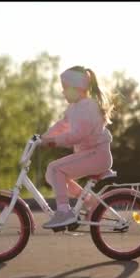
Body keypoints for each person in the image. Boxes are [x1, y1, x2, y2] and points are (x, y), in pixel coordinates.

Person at [40, 66, 114, 229]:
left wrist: (53, 141)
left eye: (65, 88)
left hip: (97, 155)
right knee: (51, 174)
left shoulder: (88, 107)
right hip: (91, 154)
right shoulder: (74, 108)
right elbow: (62, 125)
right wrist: (44, 137)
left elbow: (78, 135)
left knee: (55, 169)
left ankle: (64, 212)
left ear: (78, 88)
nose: (63, 92)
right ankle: (91, 203)